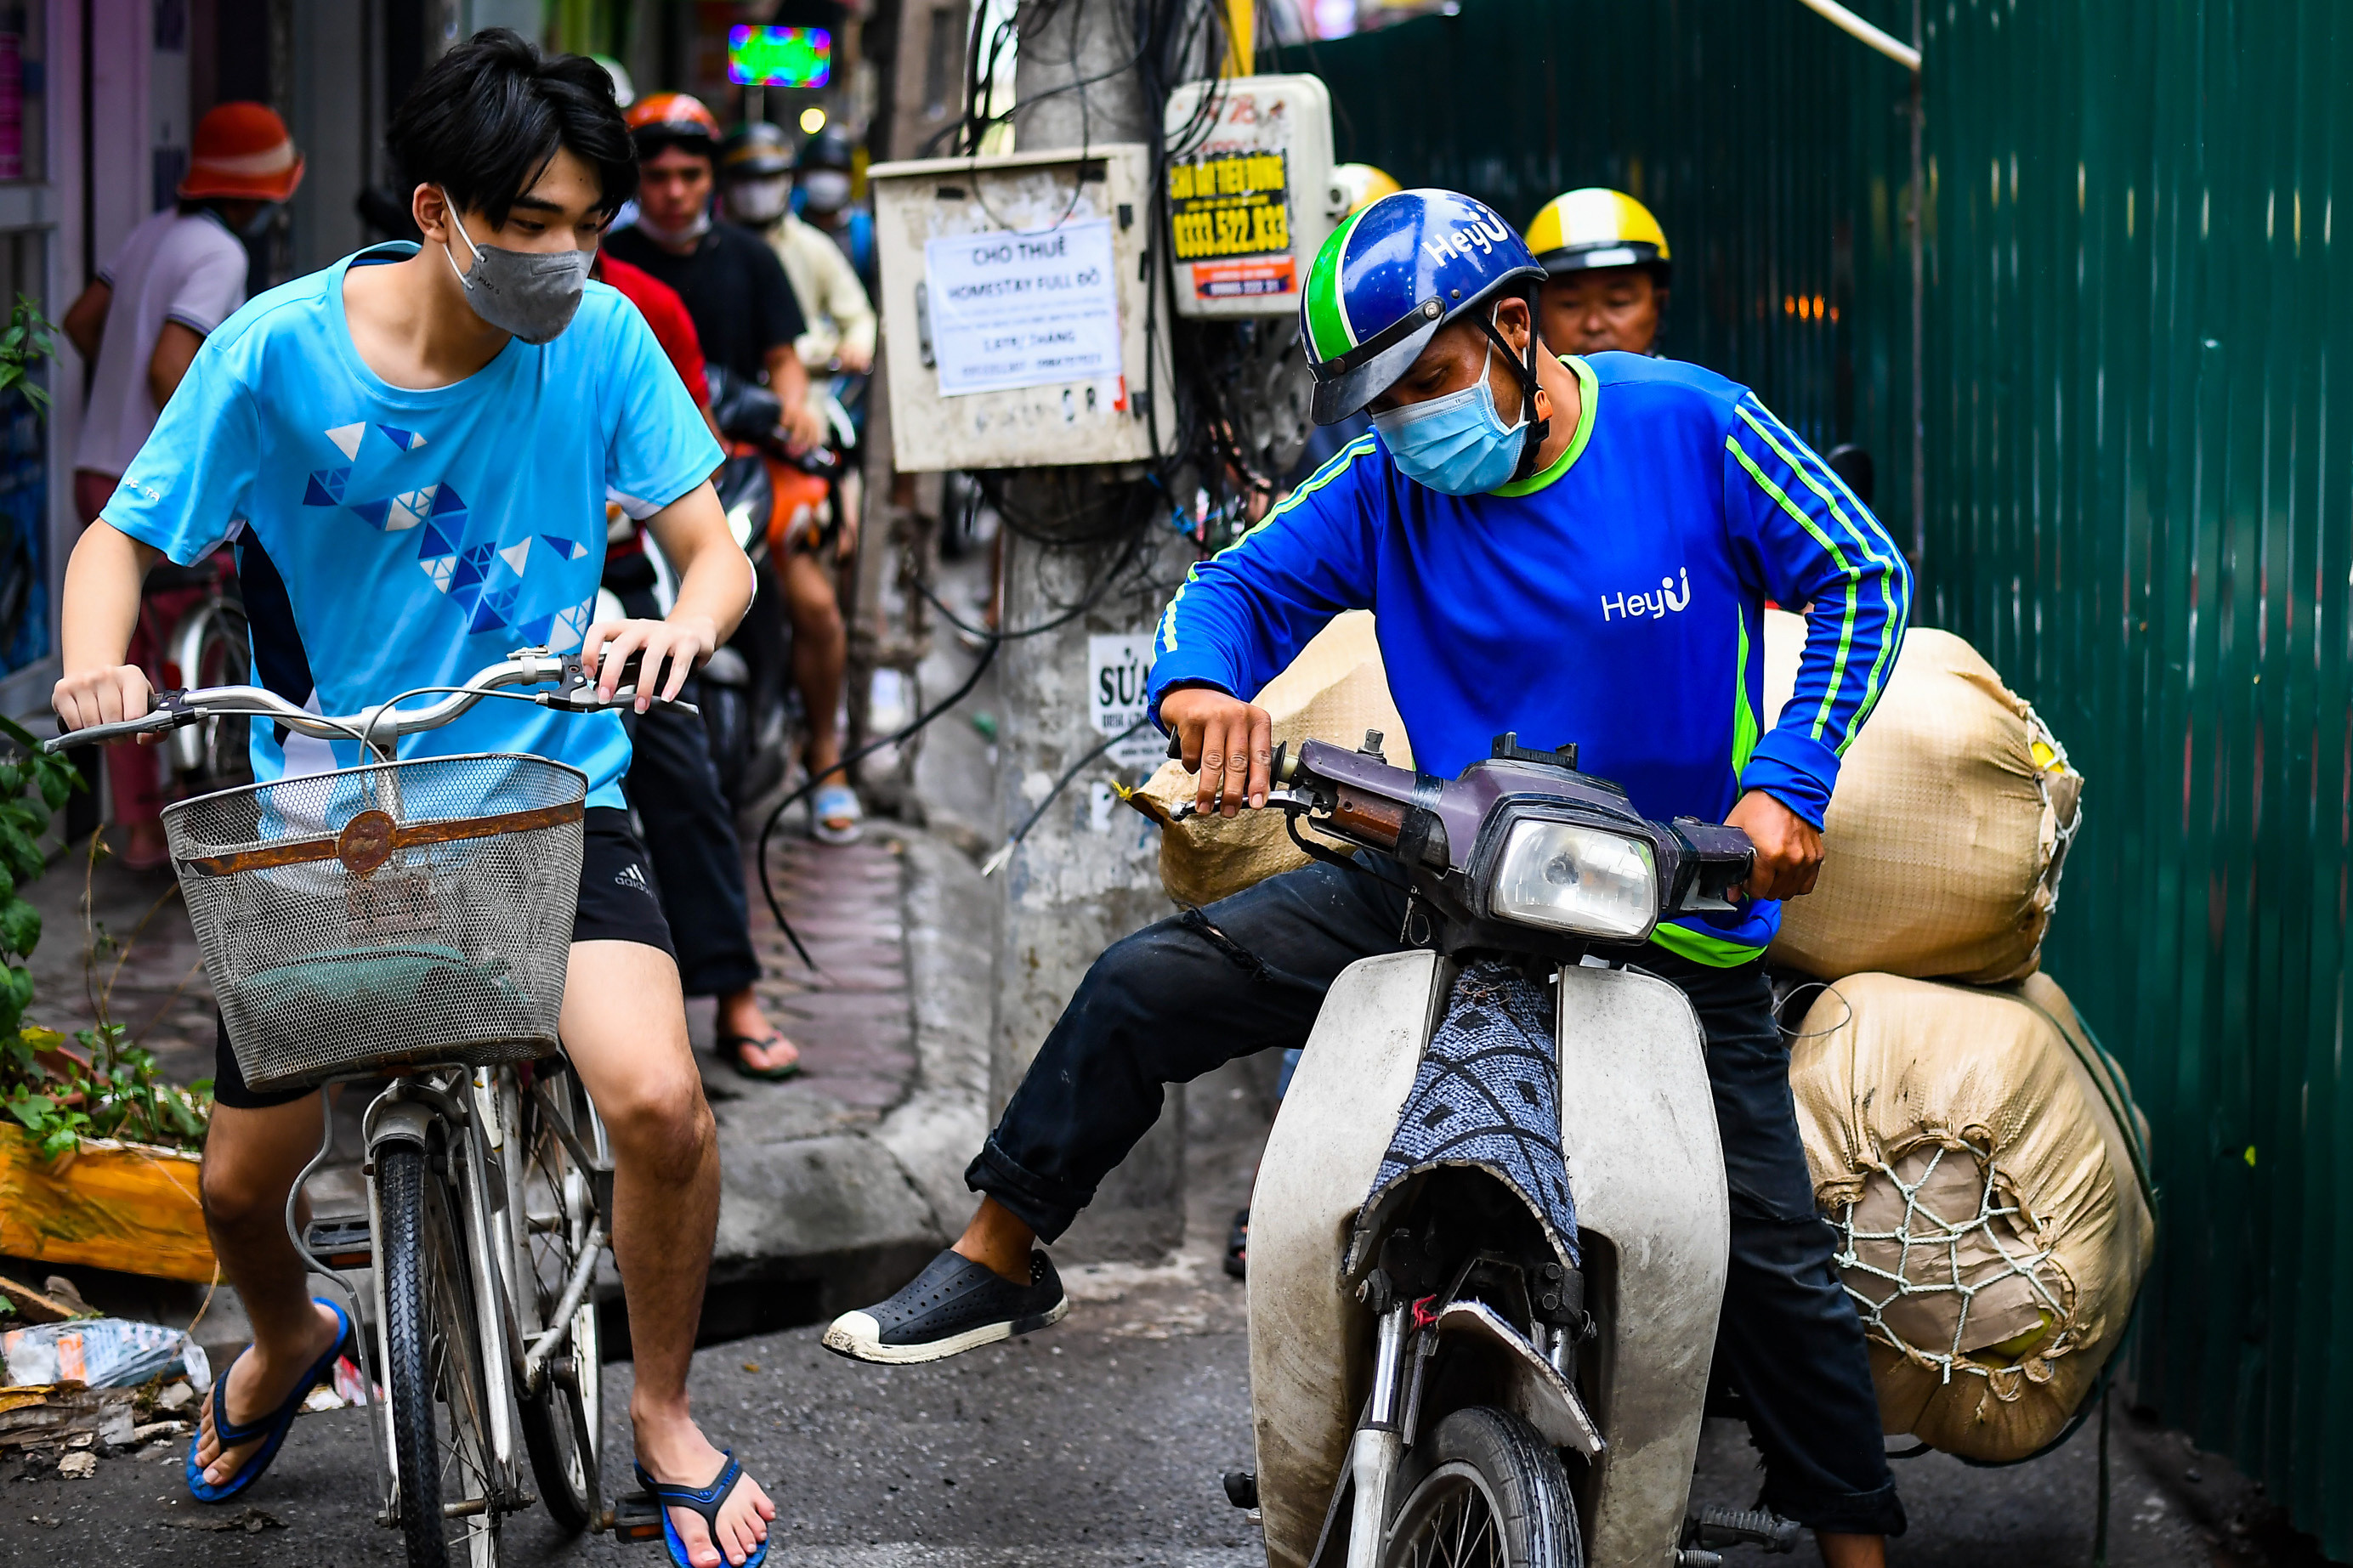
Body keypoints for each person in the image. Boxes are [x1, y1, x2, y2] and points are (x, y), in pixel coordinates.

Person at [824, 189, 1910, 1561]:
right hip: (1450, 883)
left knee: (1772, 1265)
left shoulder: (1689, 424)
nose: (1406, 419)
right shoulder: (1384, 486)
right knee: (1146, 985)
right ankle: (997, 1251)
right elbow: (1230, 590)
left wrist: (1787, 781)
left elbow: (1860, 575)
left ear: (1511, 328)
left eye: (1428, 380)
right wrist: (1202, 683)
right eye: (1377, 400)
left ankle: (1857, 1545)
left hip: (1668, 910)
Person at [52, 33, 775, 1568]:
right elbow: (119, 540)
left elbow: (716, 553)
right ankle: (282, 1341)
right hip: (335, 823)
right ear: (440, 211)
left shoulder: (602, 341)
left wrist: (679, 623)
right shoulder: (274, 352)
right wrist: (91, 663)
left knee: (655, 1101)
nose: (566, 258)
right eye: (533, 227)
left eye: (589, 223)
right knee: (240, 1189)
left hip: (543, 787)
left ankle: (659, 1416)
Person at [606, 95, 861, 845]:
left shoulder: (754, 258)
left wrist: (795, 412)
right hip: (629, 477)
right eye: (657, 176)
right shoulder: (614, 272)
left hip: (740, 460)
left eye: (691, 174)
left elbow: (784, 362)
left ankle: (824, 755)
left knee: (810, 591)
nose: (675, 191)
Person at [60, 101, 302, 869]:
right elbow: (172, 367)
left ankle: (136, 831)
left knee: (117, 663)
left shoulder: (150, 232)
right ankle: (177, 829)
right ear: (263, 196)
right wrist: (201, 451)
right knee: (170, 657)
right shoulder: (223, 254)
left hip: (97, 466)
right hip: (154, 490)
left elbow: (80, 322)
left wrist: (118, 400)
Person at [595, 247, 802, 1078]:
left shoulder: (635, 314)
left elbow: (690, 467)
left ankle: (732, 993)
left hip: (616, 576)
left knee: (672, 753)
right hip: (460, 607)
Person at [717, 122, 876, 376]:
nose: (757, 191)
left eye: (768, 179)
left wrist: (854, 347)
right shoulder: (708, 248)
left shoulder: (812, 245)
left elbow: (857, 316)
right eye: (746, 179)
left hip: (805, 392)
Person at [1527, 186, 1673, 356]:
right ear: (1534, 313)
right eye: (1570, 304)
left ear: (1658, 305)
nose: (1593, 325)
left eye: (1618, 302)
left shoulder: (1691, 384)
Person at [790, 127, 876, 294]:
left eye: (835, 170)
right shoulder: (789, 229)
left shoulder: (865, 235)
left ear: (850, 177)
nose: (825, 179)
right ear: (801, 176)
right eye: (817, 169)